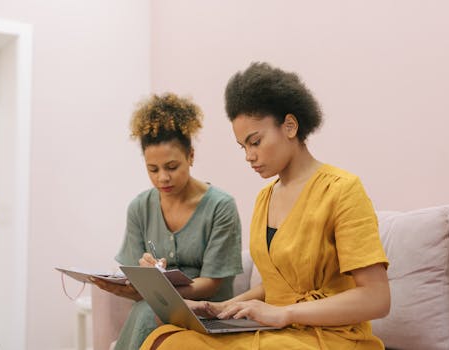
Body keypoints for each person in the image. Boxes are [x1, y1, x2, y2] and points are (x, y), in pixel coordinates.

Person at [141, 62, 391, 350]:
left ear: (290, 126)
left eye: (255, 141)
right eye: (243, 147)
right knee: (170, 338)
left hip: (331, 337)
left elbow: (376, 298)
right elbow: (277, 288)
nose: (249, 156)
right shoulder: (265, 198)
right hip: (277, 332)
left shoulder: (342, 190)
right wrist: (219, 308)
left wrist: (285, 314)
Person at [91, 92, 243, 350]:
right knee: (147, 310)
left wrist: (155, 294)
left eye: (172, 167)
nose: (163, 178)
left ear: (191, 156)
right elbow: (132, 273)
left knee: (147, 310)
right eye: (153, 169)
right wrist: (139, 280)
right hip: (153, 306)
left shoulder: (220, 206)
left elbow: (212, 283)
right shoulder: (140, 207)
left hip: (209, 312)